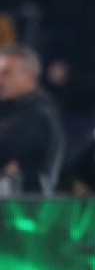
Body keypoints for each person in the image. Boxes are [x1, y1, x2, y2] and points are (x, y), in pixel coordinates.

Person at [0, 45, 65, 195]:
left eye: (6, 73)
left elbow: (7, 150)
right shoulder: (6, 111)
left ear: (29, 77)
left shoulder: (39, 115)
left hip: (28, 208)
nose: (0, 80)